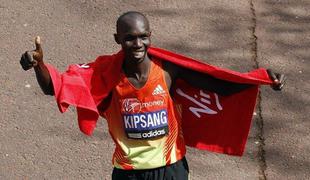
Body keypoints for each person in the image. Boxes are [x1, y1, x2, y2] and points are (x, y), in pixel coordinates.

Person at [20, 11, 285, 180]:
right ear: (117, 39)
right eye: (129, 38)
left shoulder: (167, 69)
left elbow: (220, 85)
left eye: (143, 37)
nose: (137, 45)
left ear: (150, 36)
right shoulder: (104, 73)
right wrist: (39, 66)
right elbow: (55, 88)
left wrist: (262, 78)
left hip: (171, 168)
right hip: (129, 171)